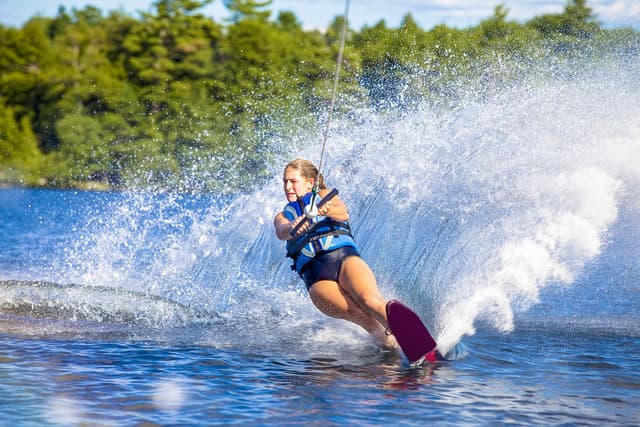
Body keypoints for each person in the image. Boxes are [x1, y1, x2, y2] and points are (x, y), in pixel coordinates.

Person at [273, 158, 396, 349]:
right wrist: (294, 225)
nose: (287, 186)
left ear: (310, 183)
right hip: (316, 278)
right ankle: (391, 348)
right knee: (365, 319)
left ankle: (408, 337)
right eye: (285, 181)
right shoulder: (283, 215)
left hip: (343, 259)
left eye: (293, 181)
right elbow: (282, 230)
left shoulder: (325, 195)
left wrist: (321, 209)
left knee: (369, 300)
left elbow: (342, 213)